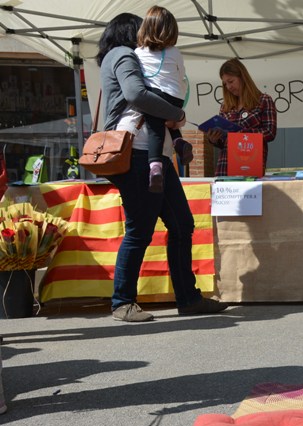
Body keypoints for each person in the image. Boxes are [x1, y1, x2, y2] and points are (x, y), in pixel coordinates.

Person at [98, 12, 228, 322]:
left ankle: (188, 297)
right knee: (139, 231)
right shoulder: (124, 55)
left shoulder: (130, 56)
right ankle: (122, 301)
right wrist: (178, 115)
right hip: (139, 153)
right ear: (132, 31)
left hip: (154, 154)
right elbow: (136, 94)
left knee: (182, 225)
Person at [134, 5, 193, 193]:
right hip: (175, 97)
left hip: (155, 97)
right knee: (170, 123)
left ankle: (155, 167)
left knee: (155, 130)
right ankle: (180, 143)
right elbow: (181, 74)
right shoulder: (175, 52)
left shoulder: (138, 53)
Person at [206, 58, 278, 176]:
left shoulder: (263, 100)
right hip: (225, 167)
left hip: (250, 166)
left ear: (242, 77)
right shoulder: (225, 106)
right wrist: (214, 139)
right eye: (225, 84)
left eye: (231, 81)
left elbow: (270, 132)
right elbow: (223, 141)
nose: (228, 87)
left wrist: (242, 133)